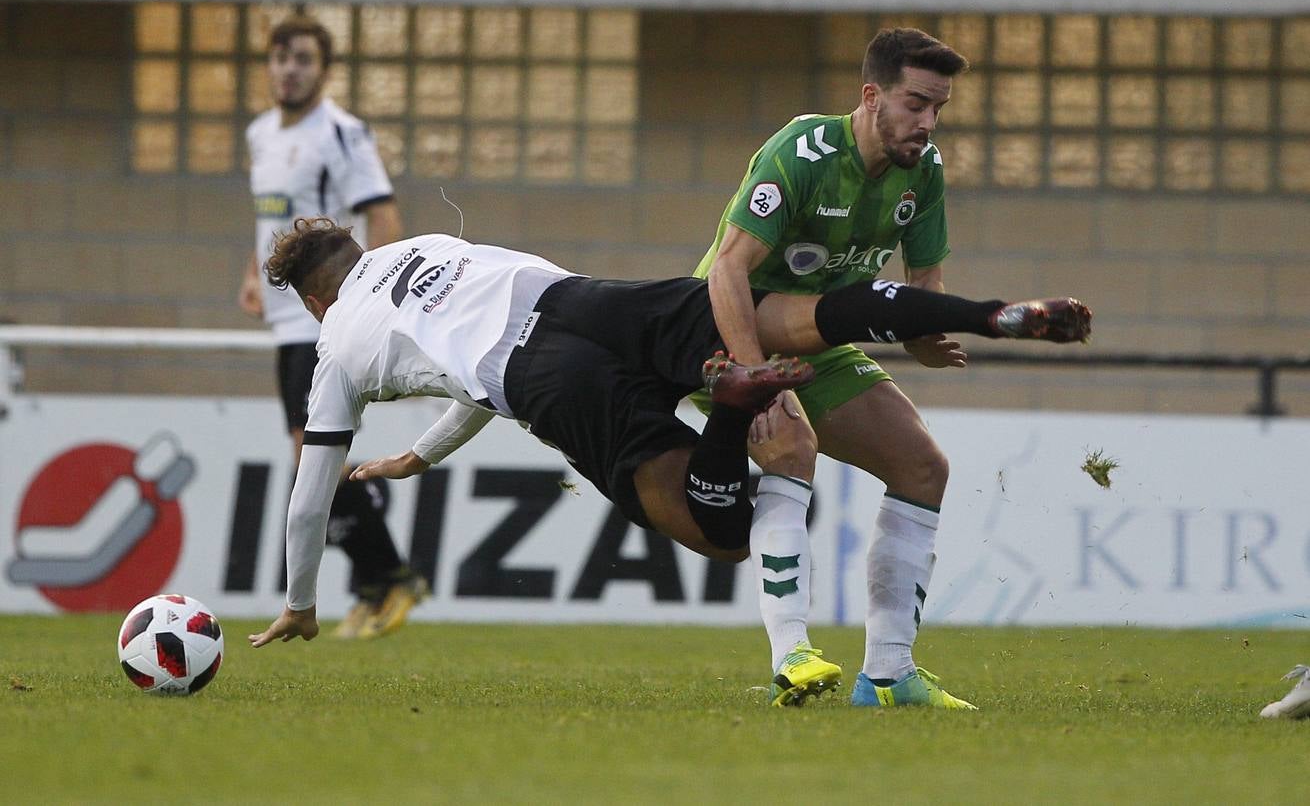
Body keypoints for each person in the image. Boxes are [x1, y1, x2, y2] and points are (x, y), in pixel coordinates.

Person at [248, 217, 1091, 698]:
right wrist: (422, 459)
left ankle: (729, 417)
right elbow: (469, 362)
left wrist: (301, 602)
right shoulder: (427, 247)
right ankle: (987, 313)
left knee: (717, 527)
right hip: (595, 302)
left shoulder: (336, 350)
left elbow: (310, 497)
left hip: (548, 375)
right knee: (788, 320)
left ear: (318, 299)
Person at [694, 27, 1007, 709]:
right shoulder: (803, 151)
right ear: (872, 96)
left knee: (924, 466)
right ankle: (792, 654)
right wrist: (751, 377)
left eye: (938, 110)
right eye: (915, 104)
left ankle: (889, 676)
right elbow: (727, 269)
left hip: (816, 343)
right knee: (793, 445)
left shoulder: (922, 171)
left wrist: (924, 336)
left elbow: (924, 280)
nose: (926, 124)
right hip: (726, 332)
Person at [236, 16, 426, 640]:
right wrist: (253, 272)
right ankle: (378, 584)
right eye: (282, 58)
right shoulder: (261, 133)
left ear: (323, 70)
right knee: (313, 451)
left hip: (322, 317)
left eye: (304, 60)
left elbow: (382, 211)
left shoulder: (341, 134)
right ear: (269, 64)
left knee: (311, 452)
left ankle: (391, 576)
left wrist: (381, 293)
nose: (290, 69)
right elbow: (275, 218)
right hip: (286, 319)